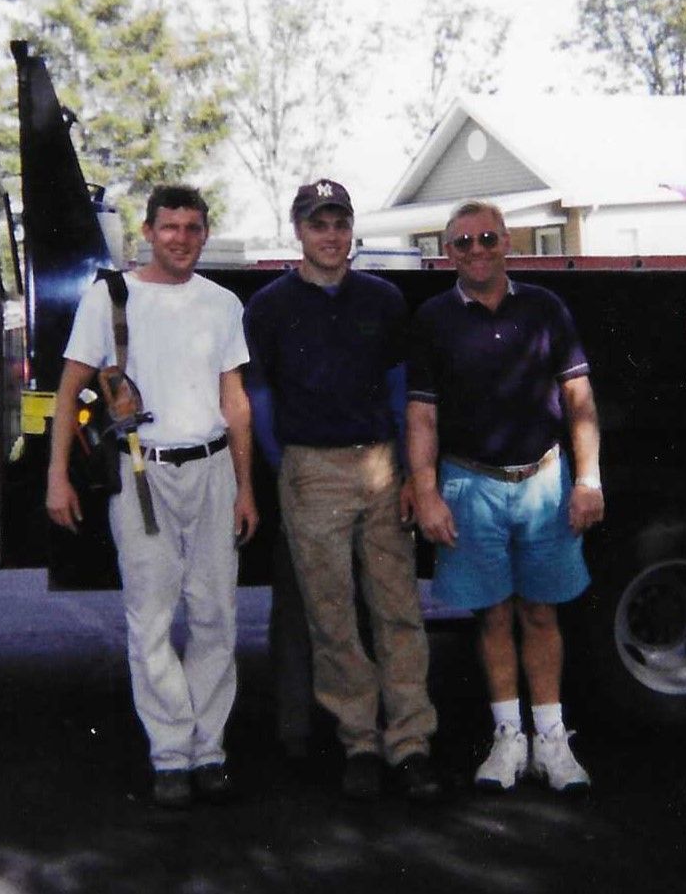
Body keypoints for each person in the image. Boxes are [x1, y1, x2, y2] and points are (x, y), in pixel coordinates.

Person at [47, 184, 258, 809]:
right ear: (147, 231)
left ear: (205, 234)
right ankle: (170, 754)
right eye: (170, 227)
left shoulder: (222, 304)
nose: (182, 239)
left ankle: (209, 750)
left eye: (193, 228)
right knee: (151, 618)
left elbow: (235, 401)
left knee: (216, 614)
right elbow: (69, 391)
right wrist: (56, 476)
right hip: (144, 471)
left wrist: (246, 488)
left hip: (212, 469)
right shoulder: (110, 297)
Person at [244, 180, 442, 801]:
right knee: (330, 614)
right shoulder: (270, 306)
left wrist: (408, 471)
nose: (330, 235)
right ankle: (359, 740)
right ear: (298, 232)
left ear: (352, 229)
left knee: (397, 608)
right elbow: (259, 396)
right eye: (318, 224)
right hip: (311, 470)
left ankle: (410, 742)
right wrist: (285, 465)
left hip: (379, 465)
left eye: (339, 223)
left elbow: (401, 388)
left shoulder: (383, 299)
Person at [406, 199, 606, 793]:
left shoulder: (546, 308)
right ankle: (507, 738)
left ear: (507, 243)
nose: (477, 250)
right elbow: (422, 416)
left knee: (541, 612)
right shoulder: (433, 319)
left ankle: (552, 740)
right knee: (492, 614)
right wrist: (427, 493)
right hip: (470, 485)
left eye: (488, 238)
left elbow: (579, 400)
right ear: (448, 253)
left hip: (544, 482)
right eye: (463, 242)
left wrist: (588, 480)